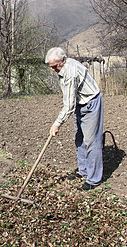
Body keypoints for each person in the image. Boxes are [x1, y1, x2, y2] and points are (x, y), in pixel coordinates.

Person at [45, 47, 104, 191]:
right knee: (79, 138)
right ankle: (83, 170)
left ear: (63, 60)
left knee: (91, 142)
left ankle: (94, 179)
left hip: (90, 103)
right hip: (80, 103)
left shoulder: (70, 73)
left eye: (54, 66)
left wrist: (57, 123)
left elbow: (69, 105)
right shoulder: (63, 66)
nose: (53, 70)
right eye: (50, 67)